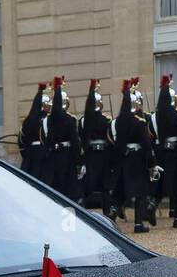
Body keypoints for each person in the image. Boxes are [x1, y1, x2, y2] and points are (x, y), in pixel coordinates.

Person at [107, 77, 154, 233]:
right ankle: (138, 223)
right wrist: (151, 163)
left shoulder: (119, 122)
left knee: (121, 191)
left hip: (123, 159)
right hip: (137, 160)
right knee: (140, 192)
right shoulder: (139, 122)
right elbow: (147, 145)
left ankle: (113, 214)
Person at [149, 74, 177, 229]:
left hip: (162, 152)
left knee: (162, 184)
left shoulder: (157, 116)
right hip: (176, 154)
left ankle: (152, 206)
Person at [46, 76, 83, 199]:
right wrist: (79, 161)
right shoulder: (70, 119)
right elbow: (75, 142)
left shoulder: (49, 120)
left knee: (56, 190)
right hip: (67, 157)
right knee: (69, 191)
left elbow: (48, 140)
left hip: (53, 158)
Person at [80, 79, 111, 208]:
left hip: (90, 154)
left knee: (90, 181)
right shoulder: (106, 119)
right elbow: (109, 138)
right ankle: (108, 210)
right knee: (104, 184)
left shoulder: (83, 120)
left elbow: (81, 138)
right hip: (103, 154)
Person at [19, 82, 51, 182]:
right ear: (43, 105)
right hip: (43, 154)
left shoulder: (28, 120)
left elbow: (21, 141)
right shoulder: (47, 119)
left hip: (29, 154)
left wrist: (27, 153)